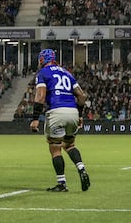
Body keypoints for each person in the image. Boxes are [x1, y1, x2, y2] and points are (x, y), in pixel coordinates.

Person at [29, 48, 91, 192]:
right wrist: (80, 115)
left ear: (42, 60)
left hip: (56, 111)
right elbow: (82, 97)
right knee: (69, 145)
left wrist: (35, 119)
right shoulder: (67, 73)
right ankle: (81, 168)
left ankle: (62, 183)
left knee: (55, 148)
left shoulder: (43, 73)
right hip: (73, 112)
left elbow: (40, 96)